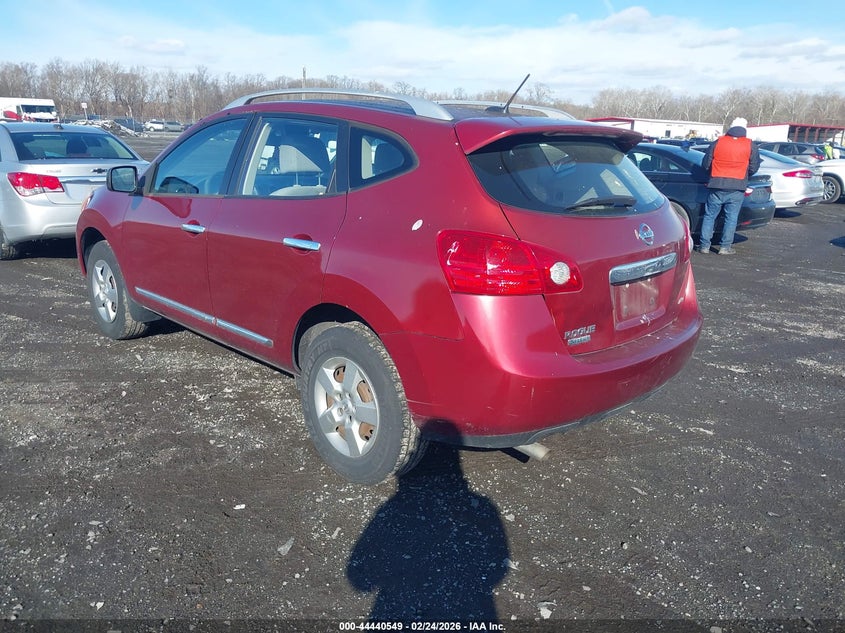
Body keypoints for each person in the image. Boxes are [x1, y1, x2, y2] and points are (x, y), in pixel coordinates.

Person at [697, 117, 760, 255]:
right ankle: (725, 247)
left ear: (730, 128)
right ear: (745, 129)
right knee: (731, 218)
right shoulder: (750, 145)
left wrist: (713, 173)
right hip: (737, 186)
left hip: (716, 184)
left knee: (709, 216)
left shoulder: (718, 142)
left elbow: (706, 163)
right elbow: (754, 167)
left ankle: (704, 246)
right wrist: (744, 174)